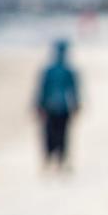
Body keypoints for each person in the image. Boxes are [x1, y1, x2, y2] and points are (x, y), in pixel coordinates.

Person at [36, 40, 79, 169]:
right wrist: (76, 105)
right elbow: (73, 90)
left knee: (50, 134)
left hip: (51, 107)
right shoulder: (68, 71)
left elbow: (42, 89)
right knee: (62, 134)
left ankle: (49, 158)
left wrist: (39, 105)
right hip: (63, 107)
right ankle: (59, 160)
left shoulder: (49, 70)